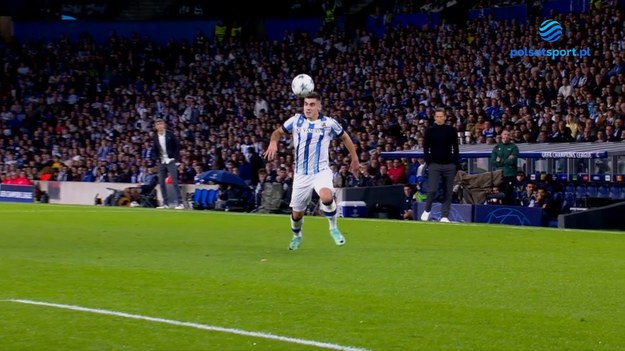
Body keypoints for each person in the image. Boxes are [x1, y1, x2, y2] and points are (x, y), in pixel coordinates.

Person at [263, 91, 359, 250]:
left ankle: (333, 228)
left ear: (319, 107)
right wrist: (273, 141)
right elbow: (277, 133)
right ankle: (297, 236)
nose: (308, 108)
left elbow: (345, 137)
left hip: (320, 171)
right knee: (297, 214)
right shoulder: (295, 121)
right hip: (301, 175)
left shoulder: (329, 123)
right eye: (306, 104)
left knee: (326, 197)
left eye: (312, 105)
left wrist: (354, 158)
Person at [420, 108, 459, 222]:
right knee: (432, 189)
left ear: (445, 117)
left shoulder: (451, 130)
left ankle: (444, 216)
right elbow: (426, 147)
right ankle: (427, 210)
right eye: (437, 116)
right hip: (434, 164)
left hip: (449, 165)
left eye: (441, 116)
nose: (439, 119)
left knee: (448, 191)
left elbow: (455, 147)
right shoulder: (430, 131)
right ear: (434, 118)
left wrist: (455, 162)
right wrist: (428, 161)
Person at [151, 118, 184, 209]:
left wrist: (174, 158)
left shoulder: (170, 134)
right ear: (156, 127)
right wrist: (156, 158)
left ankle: (180, 203)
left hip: (170, 160)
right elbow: (154, 149)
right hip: (161, 161)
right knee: (161, 182)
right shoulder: (155, 136)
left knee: (174, 181)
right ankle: (165, 203)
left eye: (161, 124)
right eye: (157, 125)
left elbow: (177, 146)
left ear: (164, 125)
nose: (159, 126)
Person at [490, 129, 519, 204]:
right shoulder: (497, 147)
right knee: (499, 193)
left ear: (510, 137)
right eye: (505, 134)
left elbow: (512, 161)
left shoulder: (514, 147)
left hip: (510, 174)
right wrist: (505, 161)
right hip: (499, 175)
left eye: (508, 135)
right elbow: (493, 162)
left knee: (508, 194)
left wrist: (501, 161)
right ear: (501, 135)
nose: (506, 136)